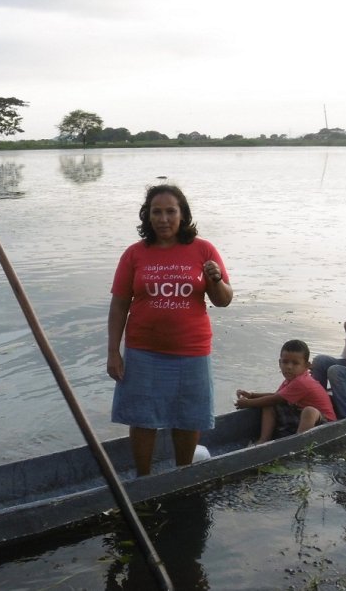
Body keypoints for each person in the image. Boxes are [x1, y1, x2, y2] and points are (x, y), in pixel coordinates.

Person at [107, 184, 233, 476]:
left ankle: (183, 474)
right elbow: (118, 306)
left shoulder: (204, 250)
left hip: (191, 351)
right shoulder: (134, 254)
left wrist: (215, 280)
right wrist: (114, 351)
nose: (163, 218)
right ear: (147, 216)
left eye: (170, 211)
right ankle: (143, 477)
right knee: (142, 418)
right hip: (143, 351)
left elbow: (223, 300)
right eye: (156, 212)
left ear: (183, 215)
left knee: (188, 418)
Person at [235, 339, 336, 442]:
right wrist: (252, 395)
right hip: (301, 416)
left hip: (325, 423)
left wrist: (248, 403)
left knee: (309, 411)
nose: (288, 367)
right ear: (280, 363)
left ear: (306, 366)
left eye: (295, 363)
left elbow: (274, 399)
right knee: (268, 404)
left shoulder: (302, 382)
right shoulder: (291, 380)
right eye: (285, 362)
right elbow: (276, 396)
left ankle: (297, 444)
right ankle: (263, 440)